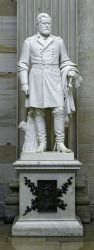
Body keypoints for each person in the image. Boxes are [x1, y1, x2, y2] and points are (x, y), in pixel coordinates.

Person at [18, 13, 82, 153]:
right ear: (37, 25)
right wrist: (24, 84)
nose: (47, 26)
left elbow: (64, 60)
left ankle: (60, 143)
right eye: (44, 23)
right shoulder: (29, 42)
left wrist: (70, 70)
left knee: (59, 109)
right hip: (36, 78)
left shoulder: (58, 41)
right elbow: (23, 64)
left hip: (54, 78)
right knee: (38, 111)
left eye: (48, 23)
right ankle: (42, 143)